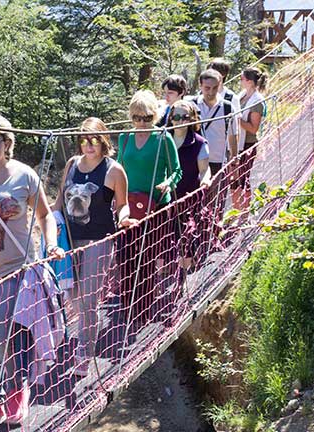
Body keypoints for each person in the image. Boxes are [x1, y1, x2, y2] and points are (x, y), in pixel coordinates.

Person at [0, 113, 64, 427]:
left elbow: (45, 216)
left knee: (0, 333)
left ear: (7, 143)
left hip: (16, 268)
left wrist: (51, 244)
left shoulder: (24, 176)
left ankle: (16, 391)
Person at [53, 117, 135, 374]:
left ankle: (84, 353)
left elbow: (122, 204)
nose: (89, 145)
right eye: (84, 139)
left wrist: (124, 219)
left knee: (88, 297)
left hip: (99, 240)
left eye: (94, 140)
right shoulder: (71, 165)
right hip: (69, 238)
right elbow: (58, 202)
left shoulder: (113, 170)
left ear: (103, 141)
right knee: (71, 295)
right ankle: (90, 327)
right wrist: (51, 226)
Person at [116, 90, 182, 339]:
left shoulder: (163, 139)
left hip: (155, 206)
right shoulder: (124, 138)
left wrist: (167, 183)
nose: (141, 122)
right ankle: (128, 305)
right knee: (126, 257)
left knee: (147, 256)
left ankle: (143, 308)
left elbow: (177, 171)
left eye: (146, 117)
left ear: (154, 115)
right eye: (136, 117)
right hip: (128, 205)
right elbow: (118, 169)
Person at [167, 100, 211, 271]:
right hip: (165, 199)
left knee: (186, 234)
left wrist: (206, 180)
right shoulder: (162, 138)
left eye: (185, 117)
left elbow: (205, 170)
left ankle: (184, 272)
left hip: (188, 197)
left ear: (192, 119)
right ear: (170, 118)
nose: (180, 121)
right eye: (176, 117)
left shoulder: (199, 143)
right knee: (165, 235)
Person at [234, 67, 268, 211]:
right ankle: (235, 211)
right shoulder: (242, 96)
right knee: (234, 179)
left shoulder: (257, 101)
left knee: (243, 178)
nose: (240, 81)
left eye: (241, 78)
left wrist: (235, 120)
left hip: (247, 144)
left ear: (248, 81)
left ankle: (245, 212)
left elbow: (253, 128)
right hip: (236, 142)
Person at [195, 69, 238, 177]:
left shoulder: (228, 108)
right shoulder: (192, 105)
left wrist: (233, 159)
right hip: (195, 160)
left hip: (217, 161)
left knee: (217, 193)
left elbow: (232, 135)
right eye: (207, 88)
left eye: (215, 88)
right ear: (200, 86)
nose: (211, 92)